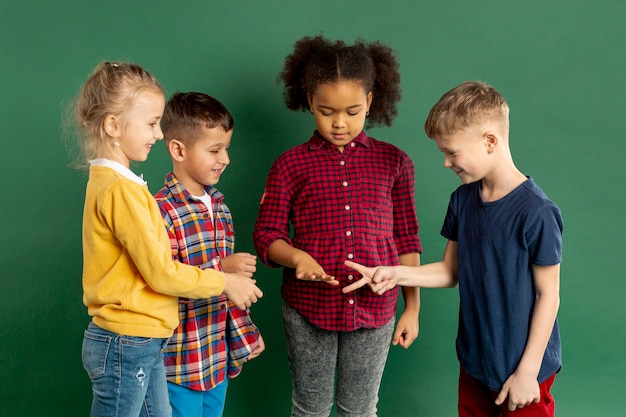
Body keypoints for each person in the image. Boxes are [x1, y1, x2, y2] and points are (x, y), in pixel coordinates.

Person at [344, 81, 563, 417]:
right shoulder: (462, 200)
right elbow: (449, 272)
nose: (446, 163)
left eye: (452, 152)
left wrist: (528, 372)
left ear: (490, 141)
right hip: (476, 361)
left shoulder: (537, 212)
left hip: (524, 370)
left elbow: (548, 295)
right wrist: (393, 273)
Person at [72, 62, 263, 417]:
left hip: (143, 340)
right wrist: (223, 278)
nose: (158, 134)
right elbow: (161, 272)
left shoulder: (118, 184)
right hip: (128, 340)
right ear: (113, 125)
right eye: (150, 124)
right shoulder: (120, 190)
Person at [253, 35, 422, 417]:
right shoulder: (290, 165)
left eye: (353, 110)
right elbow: (267, 235)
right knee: (310, 409)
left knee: (359, 409)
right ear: (309, 100)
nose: (340, 123)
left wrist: (412, 308)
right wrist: (297, 258)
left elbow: (407, 239)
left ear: (371, 103)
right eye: (327, 110)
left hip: (376, 309)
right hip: (308, 309)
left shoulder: (396, 163)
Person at [154, 92, 265, 417]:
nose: (225, 158)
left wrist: (246, 334)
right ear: (178, 149)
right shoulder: (161, 211)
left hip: (215, 356)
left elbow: (230, 292)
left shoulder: (220, 208)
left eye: (226, 148)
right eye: (215, 150)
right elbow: (163, 280)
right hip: (180, 360)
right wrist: (222, 269)